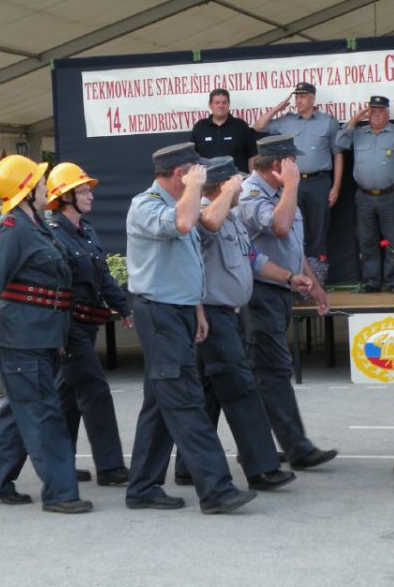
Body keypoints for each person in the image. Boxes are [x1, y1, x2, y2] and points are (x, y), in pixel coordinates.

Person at [125, 143, 256, 515]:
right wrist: (197, 187)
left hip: (180, 310)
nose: (203, 176)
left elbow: (190, 253)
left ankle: (142, 488)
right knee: (185, 400)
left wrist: (197, 306)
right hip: (160, 313)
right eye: (196, 170)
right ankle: (216, 490)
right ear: (181, 173)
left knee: (159, 402)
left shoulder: (182, 203)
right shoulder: (146, 205)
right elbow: (183, 224)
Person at [0, 155, 93, 514]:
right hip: (22, 337)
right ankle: (60, 493)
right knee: (43, 413)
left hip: (40, 333)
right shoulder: (12, 229)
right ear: (25, 190)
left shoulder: (36, 225)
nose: (45, 187)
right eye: (38, 183)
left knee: (20, 410)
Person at [174, 156, 304, 491]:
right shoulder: (208, 213)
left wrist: (290, 276)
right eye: (236, 182)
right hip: (212, 316)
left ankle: (189, 466)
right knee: (243, 390)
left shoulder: (230, 217)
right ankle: (261, 468)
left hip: (225, 316)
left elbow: (254, 259)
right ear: (222, 186)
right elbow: (208, 224)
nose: (241, 187)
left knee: (208, 394)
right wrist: (221, 193)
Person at [238, 134, 338, 470]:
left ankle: (257, 447)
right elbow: (280, 226)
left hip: (282, 289)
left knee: (262, 374)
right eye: (291, 161)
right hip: (260, 293)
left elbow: (294, 243)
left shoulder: (282, 192)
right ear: (278, 165)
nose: (296, 166)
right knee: (272, 370)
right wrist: (293, 185)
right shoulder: (250, 193)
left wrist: (316, 284)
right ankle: (297, 448)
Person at [46, 162, 131, 487]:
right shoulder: (55, 238)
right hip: (69, 328)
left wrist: (123, 307)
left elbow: (103, 275)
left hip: (86, 326)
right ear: (65, 197)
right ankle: (110, 468)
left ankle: (61, 463)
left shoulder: (87, 231)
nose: (90, 195)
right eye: (82, 190)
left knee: (68, 395)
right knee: (95, 390)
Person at [252, 82, 342, 275]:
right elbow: (258, 127)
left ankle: (318, 276)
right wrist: (278, 108)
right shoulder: (286, 121)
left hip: (319, 181)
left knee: (318, 229)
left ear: (312, 98)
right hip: (289, 183)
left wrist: (336, 186)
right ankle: (296, 274)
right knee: (293, 227)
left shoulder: (328, 122)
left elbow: (338, 154)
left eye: (302, 96)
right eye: (296, 97)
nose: (298, 100)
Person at [335, 95, 394, 293]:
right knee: (367, 240)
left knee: (393, 240)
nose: (376, 115)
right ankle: (371, 281)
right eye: (372, 111)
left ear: (387, 113)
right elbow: (339, 143)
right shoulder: (359, 133)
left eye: (380, 111)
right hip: (364, 196)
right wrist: (354, 120)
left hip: (390, 194)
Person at [190, 88, 258, 173]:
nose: (221, 106)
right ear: (210, 105)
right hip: (208, 182)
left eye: (224, 102)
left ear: (228, 105)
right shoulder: (200, 126)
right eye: (217, 102)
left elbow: (252, 155)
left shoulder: (241, 125)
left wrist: (252, 179)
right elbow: (191, 157)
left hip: (236, 179)